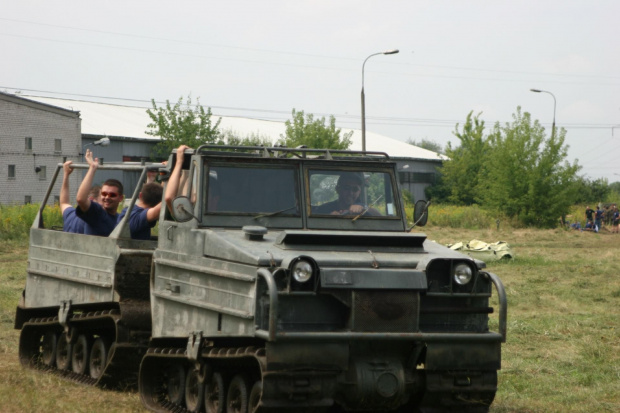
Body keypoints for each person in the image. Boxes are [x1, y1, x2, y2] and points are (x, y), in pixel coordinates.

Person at [75, 149, 124, 236]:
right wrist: (92, 168)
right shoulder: (97, 213)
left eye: (112, 195)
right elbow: (81, 199)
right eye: (104, 194)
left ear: (120, 198)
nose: (107, 197)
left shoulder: (119, 219)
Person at [60, 160, 102, 234]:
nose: (107, 200)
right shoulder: (95, 220)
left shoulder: (72, 215)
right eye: (103, 199)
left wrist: (66, 175)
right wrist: (92, 168)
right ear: (92, 200)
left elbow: (64, 202)